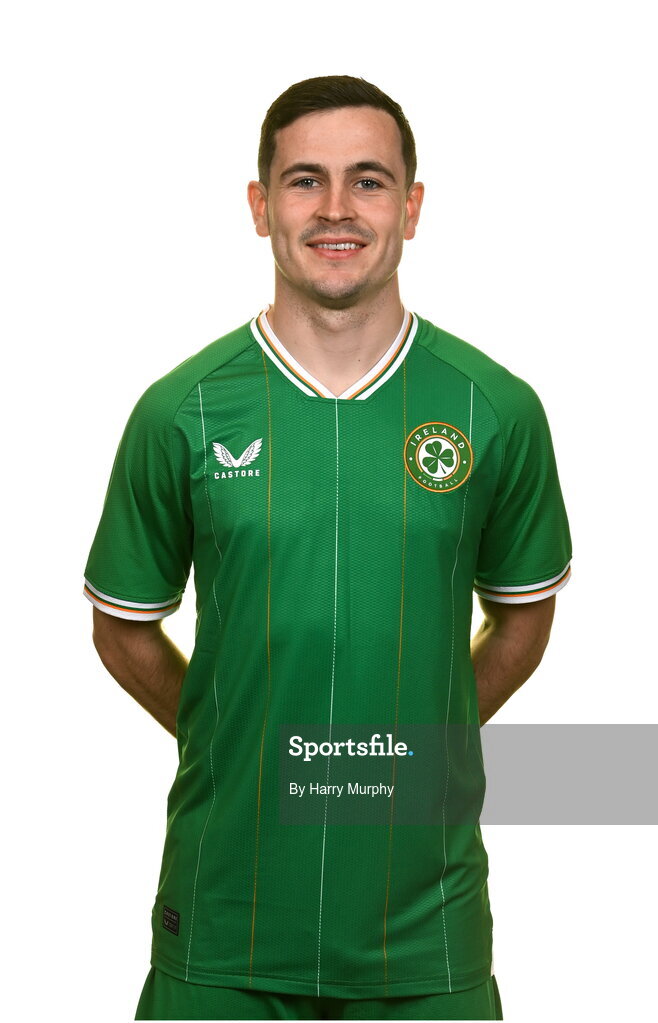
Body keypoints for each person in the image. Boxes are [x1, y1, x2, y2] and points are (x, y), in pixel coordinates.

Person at [85, 76, 571, 1021]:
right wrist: (243, 736)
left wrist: (410, 745)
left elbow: (524, 618)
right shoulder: (180, 412)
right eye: (306, 181)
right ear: (261, 205)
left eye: (370, 181)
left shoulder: (494, 408)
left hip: (428, 938)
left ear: (413, 207)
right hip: (226, 930)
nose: (338, 209)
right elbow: (123, 632)